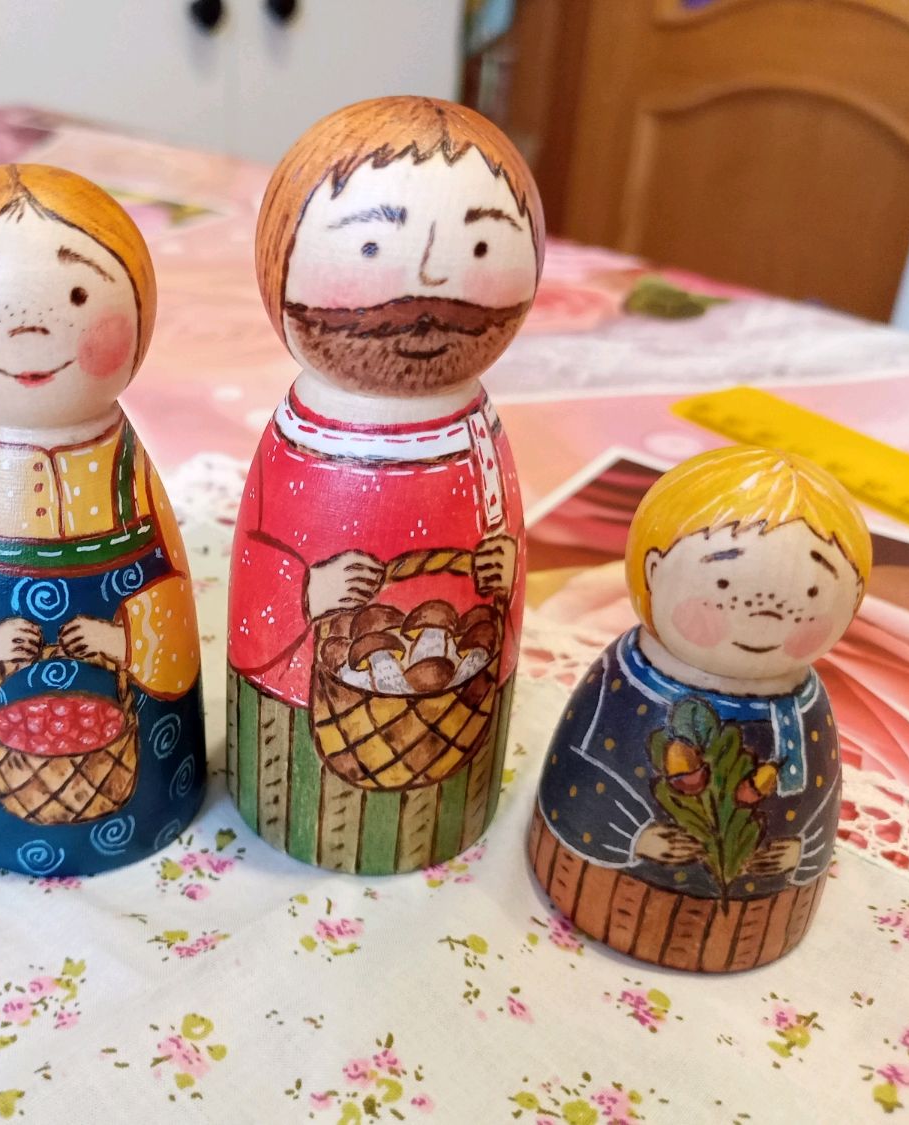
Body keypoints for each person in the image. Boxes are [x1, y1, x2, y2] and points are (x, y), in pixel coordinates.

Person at [228, 97, 540, 873]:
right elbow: (262, 559)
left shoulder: (474, 428)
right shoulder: (305, 432)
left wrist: (502, 567)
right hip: (299, 718)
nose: (430, 288)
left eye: (477, 244)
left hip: (457, 709)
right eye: (371, 245)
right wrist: (306, 589)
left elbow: (498, 543)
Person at [0, 164, 204, 874]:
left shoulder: (124, 462)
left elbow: (164, 587)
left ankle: (154, 807)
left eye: (77, 294)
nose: (29, 328)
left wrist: (126, 638)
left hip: (124, 715)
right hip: (0, 717)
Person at [532, 446, 871, 967]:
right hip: (609, 886)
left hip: (762, 915)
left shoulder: (800, 703)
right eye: (723, 585)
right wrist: (636, 839)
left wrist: (799, 851)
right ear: (653, 572)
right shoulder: (634, 677)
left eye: (809, 594)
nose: (764, 618)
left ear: (853, 598)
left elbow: (818, 797)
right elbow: (583, 771)